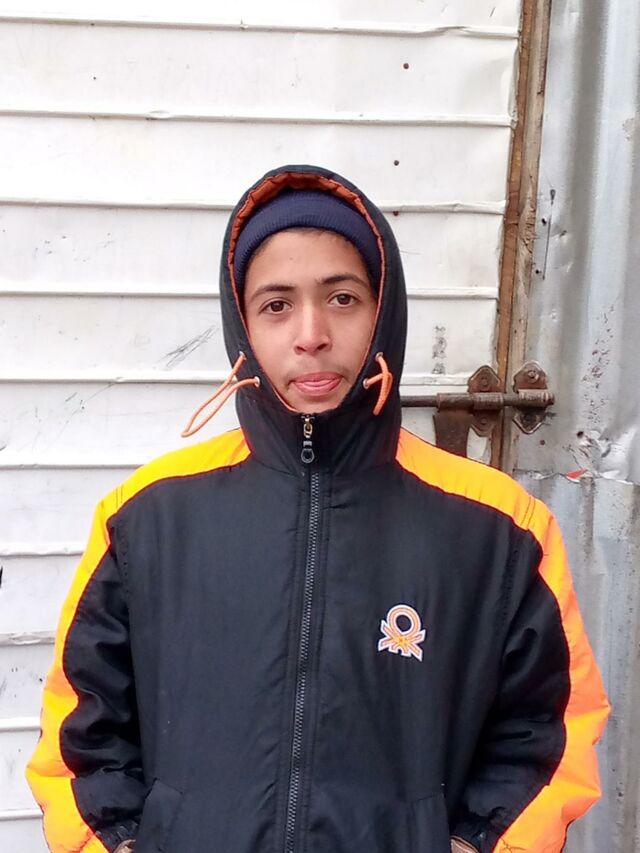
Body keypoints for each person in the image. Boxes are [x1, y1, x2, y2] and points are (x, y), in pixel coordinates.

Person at [26, 164, 609, 853]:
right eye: (277, 304)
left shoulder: (499, 529)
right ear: (242, 324)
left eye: (342, 297)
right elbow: (82, 733)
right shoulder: (147, 518)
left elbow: (548, 731)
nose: (311, 333)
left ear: (383, 309)